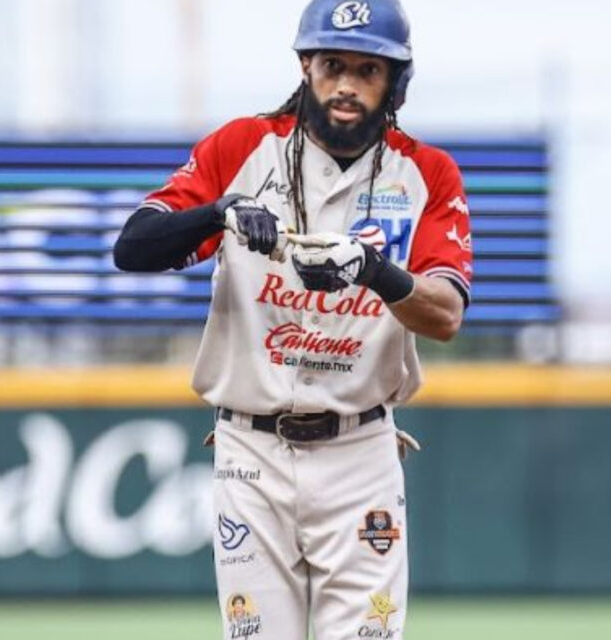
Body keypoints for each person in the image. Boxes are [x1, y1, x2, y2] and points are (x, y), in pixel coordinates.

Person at [114, 1, 472, 639]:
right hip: (252, 449)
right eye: (333, 64)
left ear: (396, 82)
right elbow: (134, 247)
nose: (346, 85)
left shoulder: (427, 172)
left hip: (360, 449)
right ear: (306, 65)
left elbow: (444, 314)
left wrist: (372, 268)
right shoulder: (243, 146)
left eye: (368, 70)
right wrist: (217, 213)